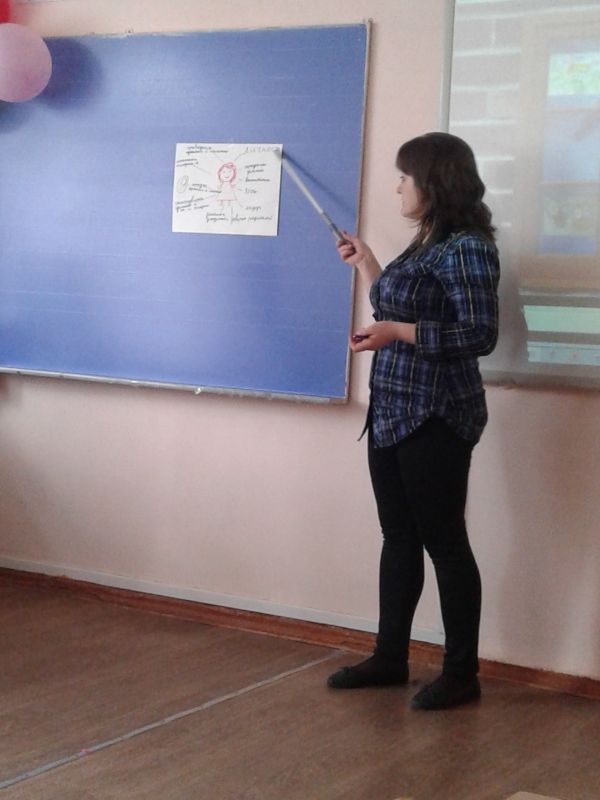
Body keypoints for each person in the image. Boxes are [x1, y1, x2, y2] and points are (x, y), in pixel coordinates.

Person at [327, 132, 500, 711]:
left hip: (437, 413)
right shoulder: (427, 240)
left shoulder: (468, 248)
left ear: (434, 181)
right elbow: (399, 307)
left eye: (405, 177)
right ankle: (389, 657)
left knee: (445, 543)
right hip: (392, 408)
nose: (397, 187)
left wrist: (395, 332)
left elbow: (479, 334)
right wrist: (368, 264)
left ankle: (461, 675)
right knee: (398, 536)